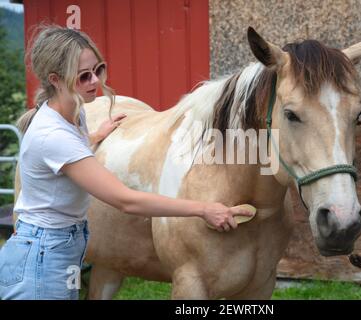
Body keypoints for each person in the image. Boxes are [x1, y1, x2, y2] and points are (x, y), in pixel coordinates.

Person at [0, 25, 253, 300]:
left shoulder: (73, 114)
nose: (95, 81)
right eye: (84, 76)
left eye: (99, 70)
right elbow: (126, 201)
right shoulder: (54, 135)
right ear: (56, 80)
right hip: (42, 256)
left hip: (60, 248)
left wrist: (96, 135)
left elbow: (68, 152)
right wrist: (204, 209)